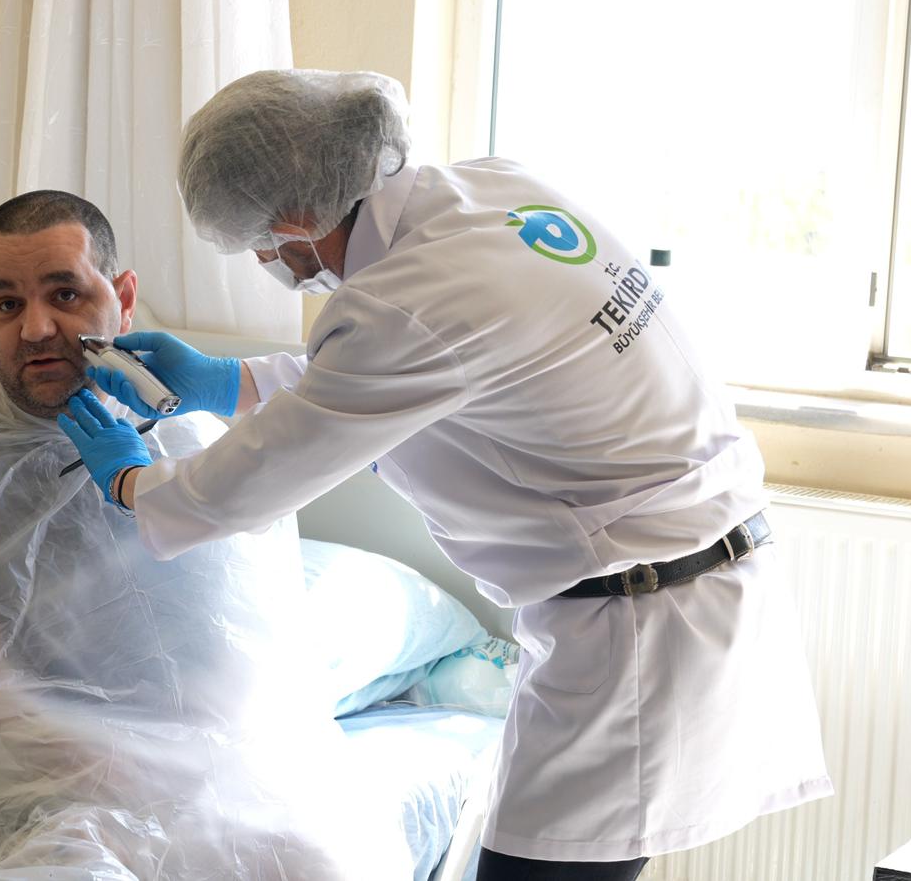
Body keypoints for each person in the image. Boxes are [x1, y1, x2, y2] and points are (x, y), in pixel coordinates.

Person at [59, 69, 833, 880]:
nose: (264, 260)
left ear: (296, 222)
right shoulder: (493, 190)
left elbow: (245, 484)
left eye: (258, 244)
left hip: (641, 624)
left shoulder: (403, 304)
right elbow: (389, 378)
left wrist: (131, 481)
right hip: (687, 578)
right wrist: (230, 382)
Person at [0, 189, 409, 878]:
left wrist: (158, 769)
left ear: (124, 297)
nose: (35, 328)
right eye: (5, 304)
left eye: (65, 294)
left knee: (322, 864)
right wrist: (95, 763)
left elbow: (232, 667)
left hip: (178, 763)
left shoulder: (187, 438)